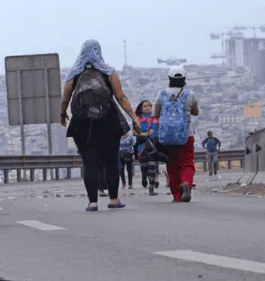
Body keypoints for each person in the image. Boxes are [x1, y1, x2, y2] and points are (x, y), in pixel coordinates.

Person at [60, 39, 140, 211]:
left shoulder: (74, 74)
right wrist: (133, 116)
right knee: (110, 161)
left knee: (89, 163)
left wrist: (62, 114)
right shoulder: (109, 72)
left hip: (82, 124)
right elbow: (120, 96)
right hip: (108, 122)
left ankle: (92, 202)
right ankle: (113, 200)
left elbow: (65, 98)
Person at [153, 66, 199, 202]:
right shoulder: (190, 94)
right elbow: (196, 112)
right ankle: (186, 183)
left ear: (169, 78)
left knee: (171, 165)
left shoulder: (161, 94)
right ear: (184, 79)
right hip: (186, 135)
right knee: (187, 162)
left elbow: (156, 115)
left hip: (167, 137)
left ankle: (177, 195)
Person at [135, 100, 160, 196]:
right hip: (142, 147)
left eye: (149, 106)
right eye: (145, 106)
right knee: (144, 168)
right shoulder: (137, 119)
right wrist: (146, 134)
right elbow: (135, 133)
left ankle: (151, 188)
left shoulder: (155, 119)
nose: (147, 107)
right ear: (141, 108)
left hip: (153, 146)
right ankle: (144, 176)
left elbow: (158, 131)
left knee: (153, 167)